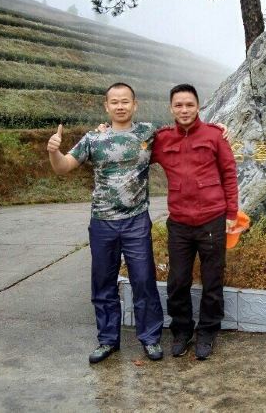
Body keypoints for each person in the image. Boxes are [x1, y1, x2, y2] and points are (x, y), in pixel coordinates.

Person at [47, 82, 164, 364]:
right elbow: (64, 166)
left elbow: (183, 142)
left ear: (135, 105)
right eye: (115, 101)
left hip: (136, 220)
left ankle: (150, 338)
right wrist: (53, 151)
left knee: (144, 280)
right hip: (102, 222)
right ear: (106, 106)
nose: (120, 106)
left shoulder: (148, 133)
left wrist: (221, 131)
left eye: (126, 101)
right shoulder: (92, 139)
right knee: (103, 283)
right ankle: (107, 340)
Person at [152, 83, 238, 360]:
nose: (184, 110)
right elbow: (135, 150)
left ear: (198, 106)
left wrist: (231, 215)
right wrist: (106, 132)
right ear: (171, 108)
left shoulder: (214, 135)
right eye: (178, 105)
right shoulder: (162, 139)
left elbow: (229, 174)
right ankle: (181, 331)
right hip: (179, 222)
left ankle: (208, 332)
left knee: (212, 280)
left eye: (189, 105)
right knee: (178, 281)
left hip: (212, 219)